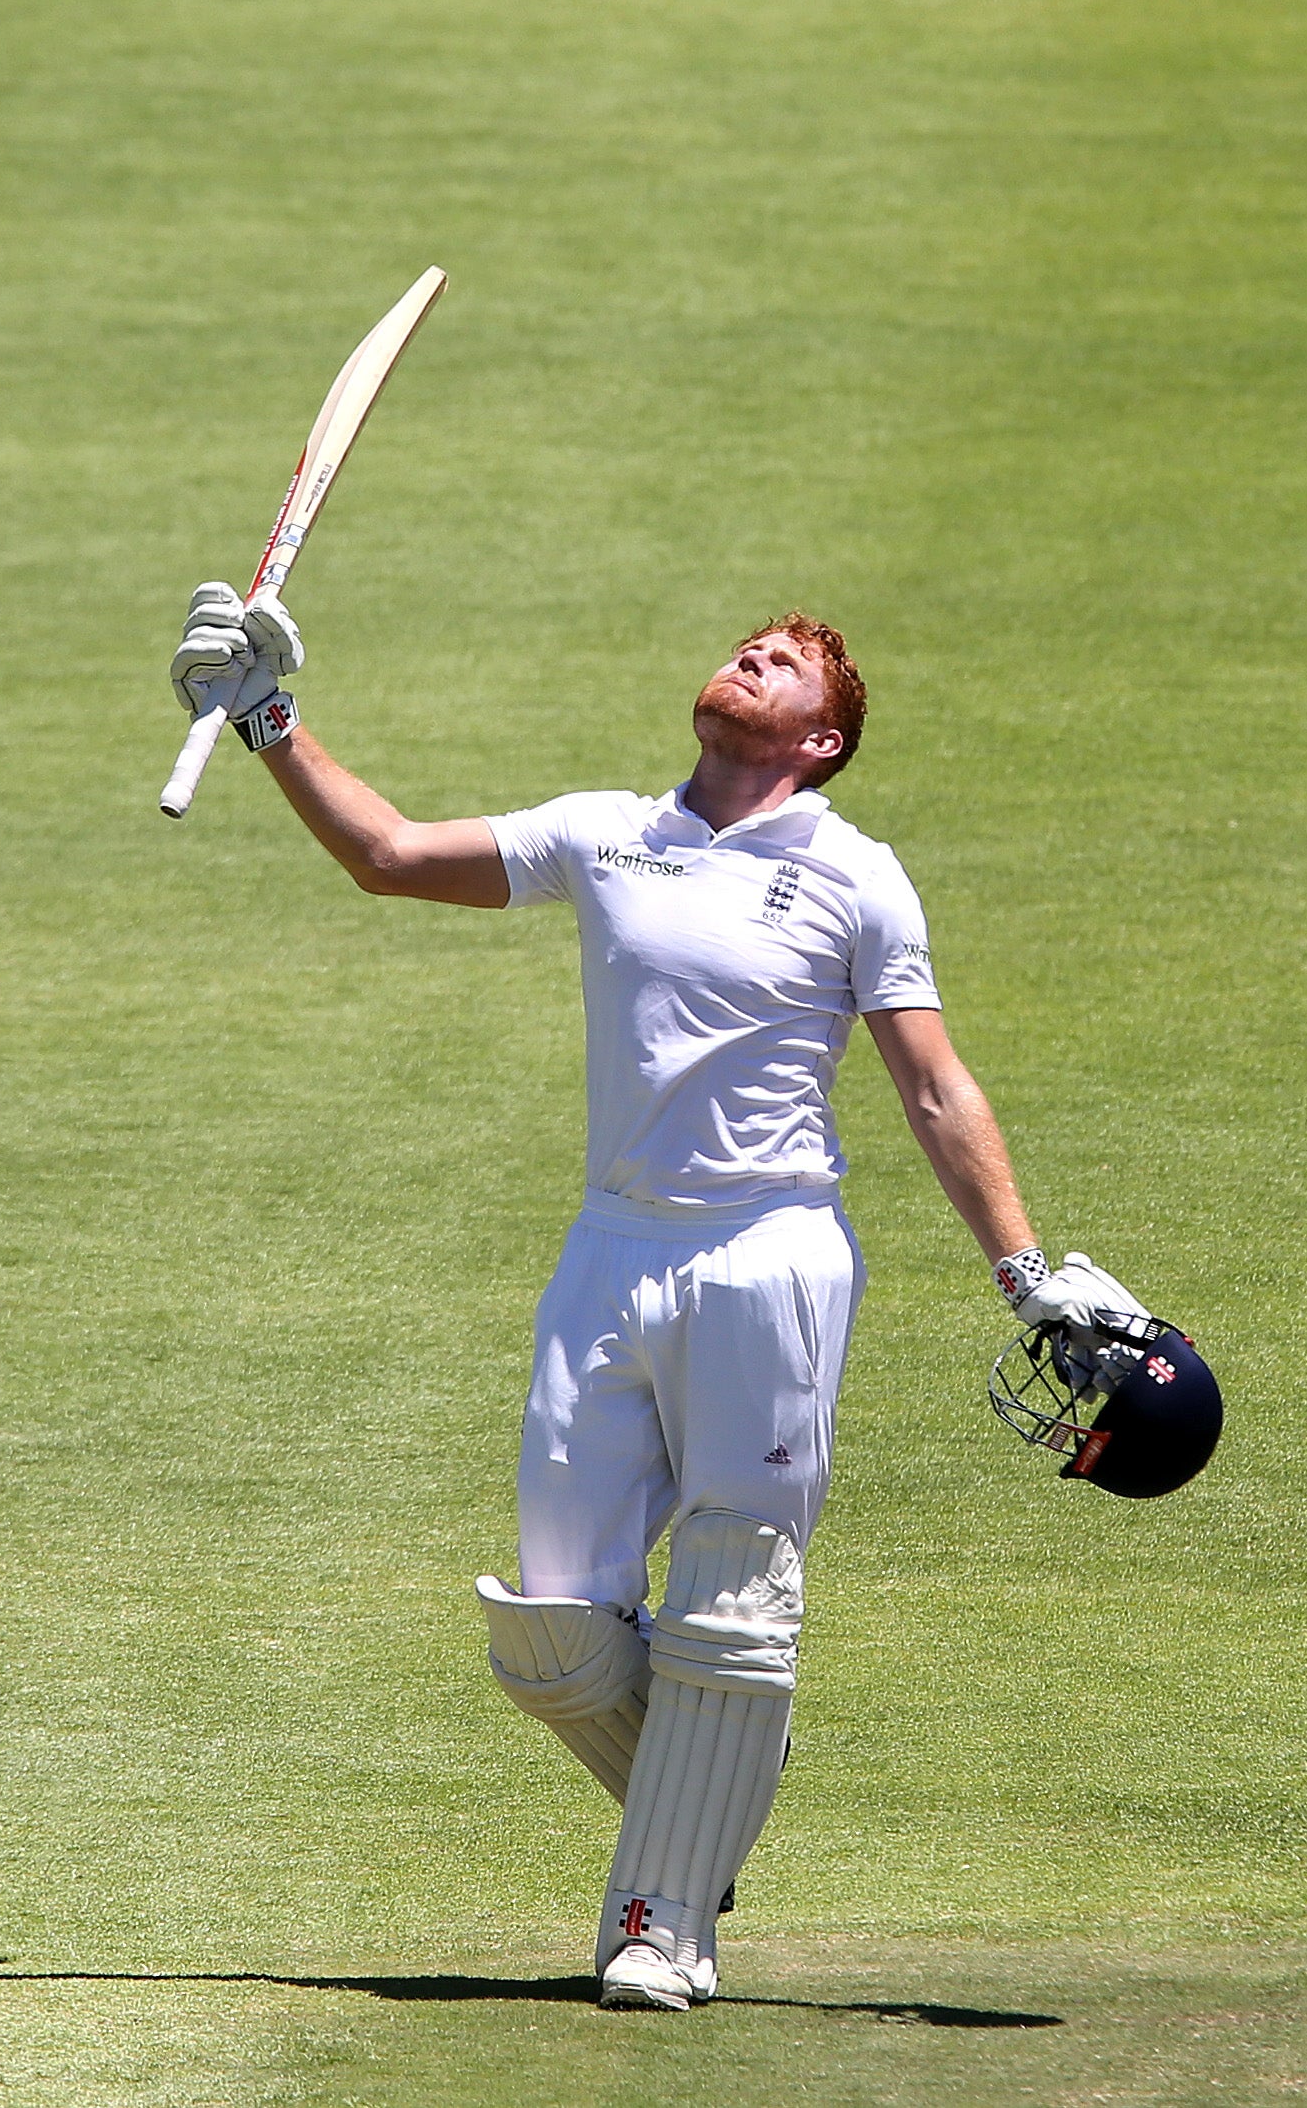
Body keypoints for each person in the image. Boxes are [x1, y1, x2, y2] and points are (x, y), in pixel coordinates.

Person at [167, 583, 1146, 2012]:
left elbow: (931, 1084)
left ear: (820, 742)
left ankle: (659, 1922)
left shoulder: (854, 873)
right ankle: (722, 1746)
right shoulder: (605, 831)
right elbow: (385, 855)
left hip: (771, 1253)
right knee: (550, 1621)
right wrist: (267, 720)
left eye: (789, 664)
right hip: (611, 1251)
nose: (750, 655)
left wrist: (1024, 1268)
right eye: (747, 644)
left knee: (732, 1600)